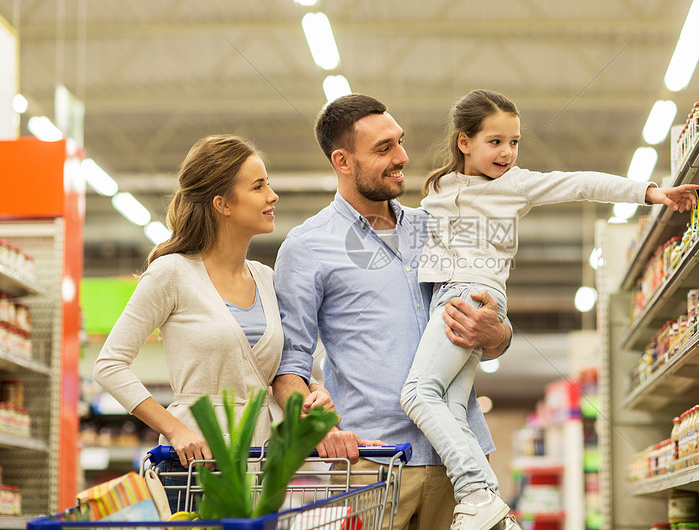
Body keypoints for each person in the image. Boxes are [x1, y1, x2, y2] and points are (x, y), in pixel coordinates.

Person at [399, 89, 699, 530]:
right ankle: (494, 514)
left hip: (470, 294)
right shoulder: (441, 187)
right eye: (495, 141)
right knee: (452, 405)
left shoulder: (515, 184)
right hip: (448, 292)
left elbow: (581, 182)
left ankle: (474, 494)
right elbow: (407, 226)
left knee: (417, 394)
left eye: (514, 141)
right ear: (464, 142)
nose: (507, 152)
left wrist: (651, 192)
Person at [274, 94, 517, 530]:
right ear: (343, 161)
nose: (402, 157)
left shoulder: (438, 226)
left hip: (461, 467)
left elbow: (491, 331)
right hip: (372, 465)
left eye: (399, 142)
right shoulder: (307, 246)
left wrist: (496, 333)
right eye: (384, 149)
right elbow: (289, 367)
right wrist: (313, 423)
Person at [93, 134, 333, 477]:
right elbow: (109, 365)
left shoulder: (267, 278)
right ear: (223, 204)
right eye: (258, 186)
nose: (273, 195)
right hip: (195, 462)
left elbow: (281, 369)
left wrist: (314, 391)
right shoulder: (172, 272)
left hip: (261, 459)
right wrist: (175, 429)